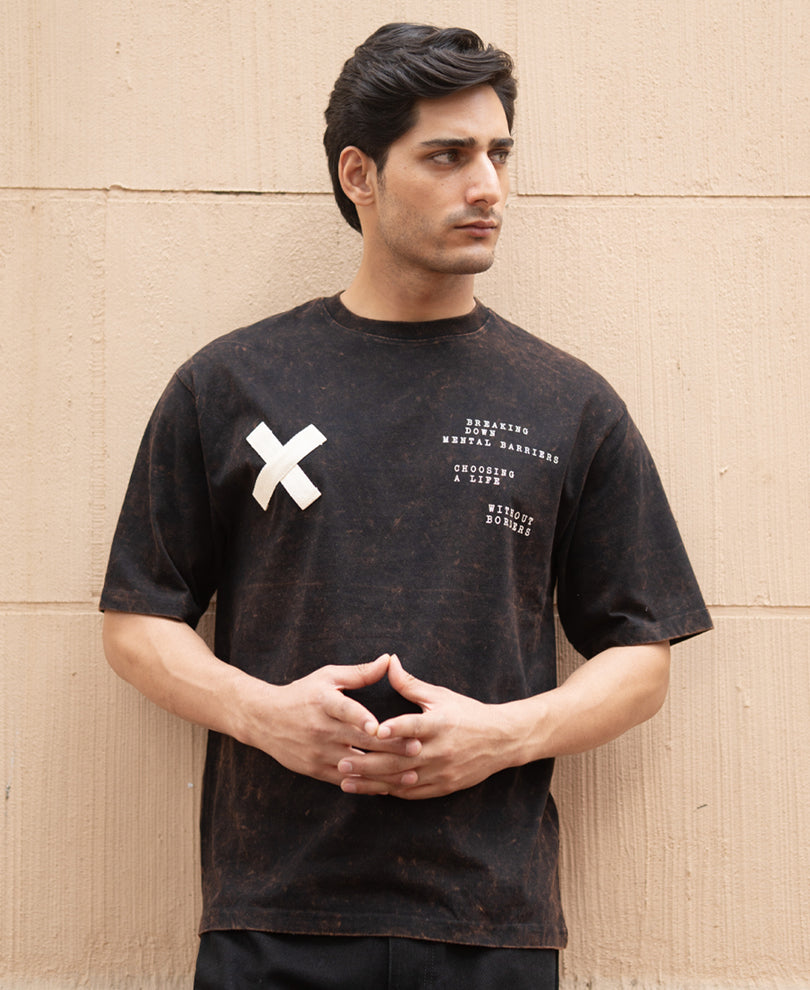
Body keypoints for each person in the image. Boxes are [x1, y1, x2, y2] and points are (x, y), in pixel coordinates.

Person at [101, 22, 712, 990]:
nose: (489, 187)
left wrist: (504, 734)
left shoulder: (566, 402)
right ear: (360, 173)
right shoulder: (233, 384)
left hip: (489, 926)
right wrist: (263, 714)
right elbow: (138, 621)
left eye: (499, 154)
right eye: (448, 155)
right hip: (274, 918)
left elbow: (641, 657)